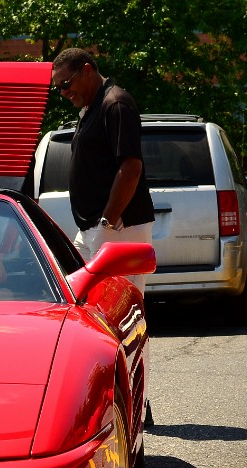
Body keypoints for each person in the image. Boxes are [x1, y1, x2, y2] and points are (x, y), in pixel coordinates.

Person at [51, 48, 155, 293]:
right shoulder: (92, 107)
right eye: (58, 88)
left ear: (87, 70)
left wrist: (107, 222)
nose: (64, 92)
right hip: (93, 228)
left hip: (117, 227)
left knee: (120, 303)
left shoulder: (115, 103)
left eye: (66, 84)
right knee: (82, 297)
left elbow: (131, 167)